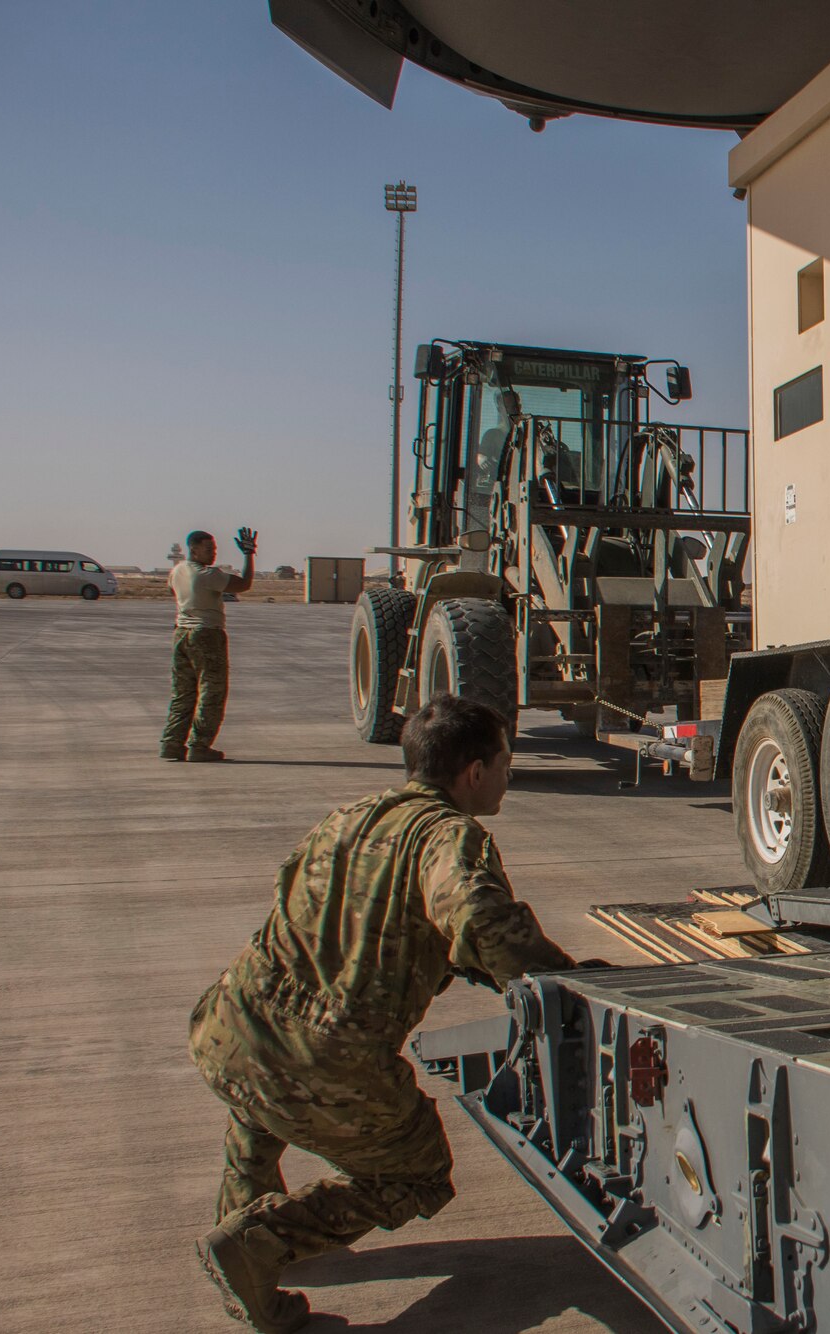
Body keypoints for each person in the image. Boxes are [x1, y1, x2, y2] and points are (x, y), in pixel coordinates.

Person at [188, 695, 577, 1333]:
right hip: (323, 1054)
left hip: (233, 1024)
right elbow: (480, 918)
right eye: (506, 764)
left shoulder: (348, 817)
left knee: (261, 1104)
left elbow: (314, 909)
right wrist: (563, 985)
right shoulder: (449, 835)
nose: (510, 777)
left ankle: (245, 1235)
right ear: (473, 773)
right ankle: (258, 1243)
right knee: (419, 1175)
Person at [161, 527, 257, 761]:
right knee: (211, 692)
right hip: (206, 633)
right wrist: (248, 555)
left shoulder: (177, 571)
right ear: (193, 549)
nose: (213, 553)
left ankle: (172, 742)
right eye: (208, 549)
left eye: (214, 549)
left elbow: (171, 589)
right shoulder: (206, 575)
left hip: (181, 633)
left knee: (182, 692)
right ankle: (199, 745)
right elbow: (244, 584)